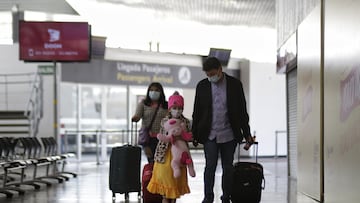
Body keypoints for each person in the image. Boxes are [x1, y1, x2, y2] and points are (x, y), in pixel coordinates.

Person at [192, 57, 254, 203]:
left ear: (220, 69)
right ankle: (208, 197)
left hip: (229, 134)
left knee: (228, 168)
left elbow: (242, 111)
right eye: (208, 75)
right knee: (210, 166)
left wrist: (247, 134)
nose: (210, 77)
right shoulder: (202, 86)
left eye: (213, 74)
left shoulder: (234, 85)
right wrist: (195, 134)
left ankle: (226, 197)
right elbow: (197, 112)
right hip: (210, 134)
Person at [147, 91, 194, 203]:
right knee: (165, 180)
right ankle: (165, 198)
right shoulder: (164, 121)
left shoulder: (186, 122)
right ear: (170, 108)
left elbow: (188, 136)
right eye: (174, 107)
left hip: (180, 155)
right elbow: (163, 136)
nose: (177, 110)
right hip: (165, 155)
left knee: (175, 183)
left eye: (179, 108)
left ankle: (173, 200)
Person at [132, 82, 168, 163]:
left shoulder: (166, 105)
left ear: (161, 92)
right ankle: (152, 176)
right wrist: (135, 118)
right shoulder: (143, 104)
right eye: (151, 90)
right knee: (152, 161)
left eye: (156, 90)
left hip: (163, 138)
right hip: (148, 139)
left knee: (161, 162)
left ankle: (159, 176)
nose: (154, 92)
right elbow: (137, 116)